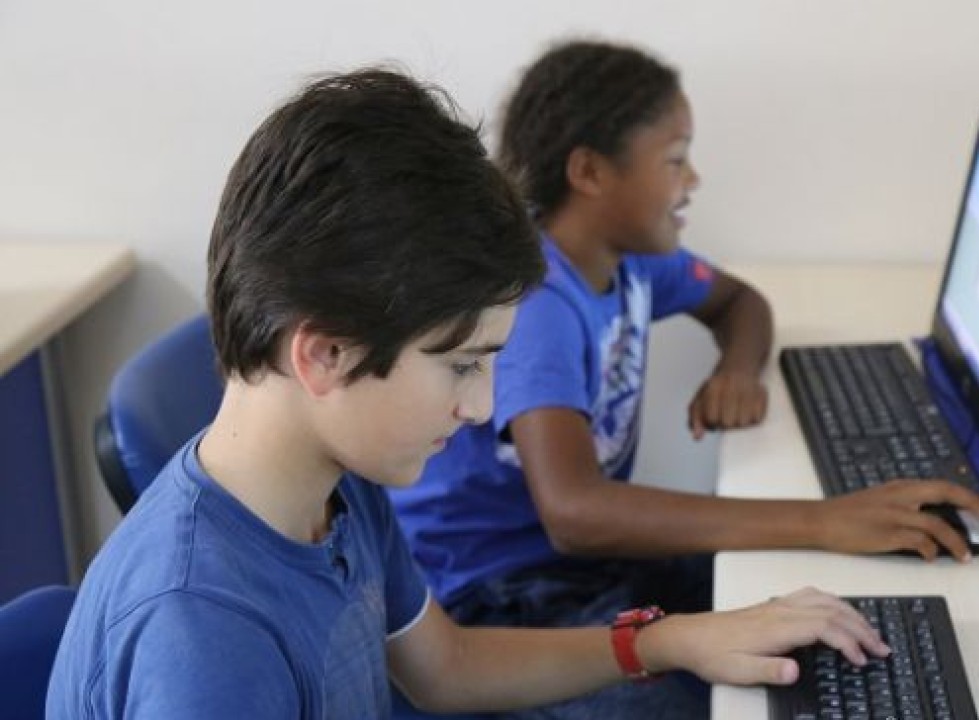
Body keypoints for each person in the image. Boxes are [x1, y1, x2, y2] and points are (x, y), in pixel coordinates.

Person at [45, 68, 891, 719]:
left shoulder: (336, 485)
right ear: (326, 355)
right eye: (460, 365)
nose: (483, 407)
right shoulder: (205, 633)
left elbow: (443, 669)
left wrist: (666, 640)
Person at [389, 39, 979, 718]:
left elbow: (741, 302)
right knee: (722, 694)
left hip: (584, 566)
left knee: (815, 618)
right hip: (499, 596)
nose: (693, 180)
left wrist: (736, 369)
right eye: (675, 160)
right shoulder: (538, 301)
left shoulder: (629, 258)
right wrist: (823, 520)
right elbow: (575, 514)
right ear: (589, 172)